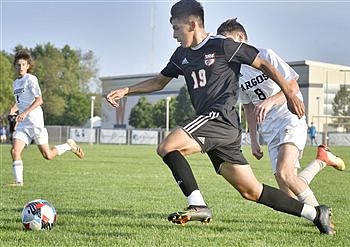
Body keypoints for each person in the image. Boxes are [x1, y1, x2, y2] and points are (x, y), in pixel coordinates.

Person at [106, 0, 334, 235]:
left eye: (176, 28)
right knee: (251, 191)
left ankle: (198, 205)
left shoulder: (223, 46)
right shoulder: (181, 54)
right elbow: (159, 81)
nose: (173, 34)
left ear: (192, 24)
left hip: (218, 118)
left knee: (167, 146)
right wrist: (126, 90)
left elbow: (263, 62)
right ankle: (316, 213)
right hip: (222, 129)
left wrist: (288, 93)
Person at [217, 18, 345, 205]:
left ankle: (321, 215)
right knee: (289, 190)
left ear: (241, 37)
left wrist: (269, 102)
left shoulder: (265, 55)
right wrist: (253, 139)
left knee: (285, 173)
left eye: (228, 41)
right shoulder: (235, 71)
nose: (225, 47)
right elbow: (248, 107)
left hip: (289, 116)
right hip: (270, 128)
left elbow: (292, 84)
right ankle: (322, 159)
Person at [8, 50, 85, 186]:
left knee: (48, 155)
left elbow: (39, 100)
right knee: (14, 151)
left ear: (28, 66)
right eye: (18, 65)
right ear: (15, 66)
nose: (20, 67)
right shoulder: (16, 83)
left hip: (35, 123)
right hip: (23, 124)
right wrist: (11, 111)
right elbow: (20, 102)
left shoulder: (31, 79)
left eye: (23, 64)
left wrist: (24, 112)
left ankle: (68, 145)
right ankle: (18, 182)